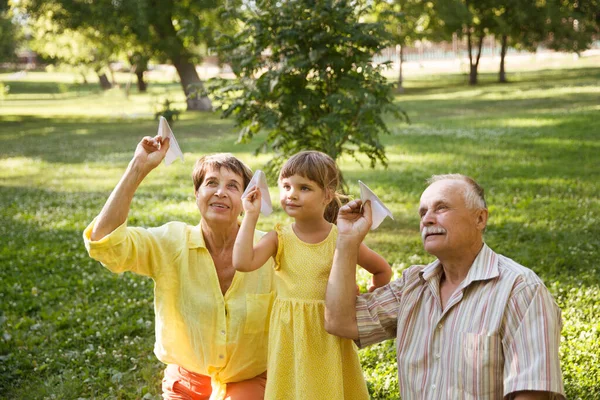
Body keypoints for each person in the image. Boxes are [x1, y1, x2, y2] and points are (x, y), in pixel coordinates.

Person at [325, 174, 565, 400]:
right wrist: (347, 240)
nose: (427, 219)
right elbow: (341, 321)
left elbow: (533, 391)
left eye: (441, 208)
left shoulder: (521, 289)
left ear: (480, 218)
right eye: (423, 213)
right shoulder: (413, 284)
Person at [83, 134, 274, 400]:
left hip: (249, 380)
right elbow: (105, 244)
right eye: (211, 183)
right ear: (197, 194)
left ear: (246, 200)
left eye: (233, 186)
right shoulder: (170, 242)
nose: (220, 191)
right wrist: (138, 167)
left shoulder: (269, 249)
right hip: (187, 381)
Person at [232, 151, 393, 399]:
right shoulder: (279, 237)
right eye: (286, 186)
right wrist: (250, 215)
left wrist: (367, 302)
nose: (291, 194)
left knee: (329, 387)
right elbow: (242, 262)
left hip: (331, 333)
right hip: (291, 335)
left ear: (327, 195)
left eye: (304, 188)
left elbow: (382, 270)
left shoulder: (342, 238)